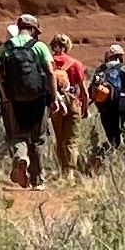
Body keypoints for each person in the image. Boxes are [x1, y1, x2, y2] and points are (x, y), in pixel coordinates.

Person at [0, 15, 56, 188]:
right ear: (33, 29)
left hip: (14, 100)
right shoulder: (40, 46)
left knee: (18, 136)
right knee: (38, 139)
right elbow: (51, 73)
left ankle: (21, 157)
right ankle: (38, 180)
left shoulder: (6, 47)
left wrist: (4, 97)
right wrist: (52, 98)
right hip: (38, 100)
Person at [48, 32, 89, 182]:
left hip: (56, 104)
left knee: (60, 139)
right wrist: (85, 108)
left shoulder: (48, 62)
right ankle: (70, 174)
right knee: (72, 139)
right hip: (72, 103)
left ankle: (62, 170)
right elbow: (83, 90)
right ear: (67, 46)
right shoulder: (75, 64)